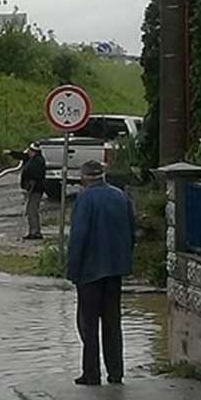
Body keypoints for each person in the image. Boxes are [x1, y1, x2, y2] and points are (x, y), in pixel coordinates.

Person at [66, 160, 136, 386]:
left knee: (88, 324)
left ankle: (91, 373)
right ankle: (116, 372)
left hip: (89, 272)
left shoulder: (84, 199)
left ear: (84, 177)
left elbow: (79, 237)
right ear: (103, 175)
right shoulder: (120, 196)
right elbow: (131, 231)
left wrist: (72, 269)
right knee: (113, 323)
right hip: (115, 270)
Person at [19, 143, 46, 240]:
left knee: (32, 210)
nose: (28, 153)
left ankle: (35, 232)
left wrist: (30, 184)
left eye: (30, 151)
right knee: (30, 211)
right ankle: (32, 231)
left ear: (33, 151)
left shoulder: (37, 161)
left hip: (35, 189)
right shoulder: (33, 159)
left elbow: (36, 175)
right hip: (32, 188)